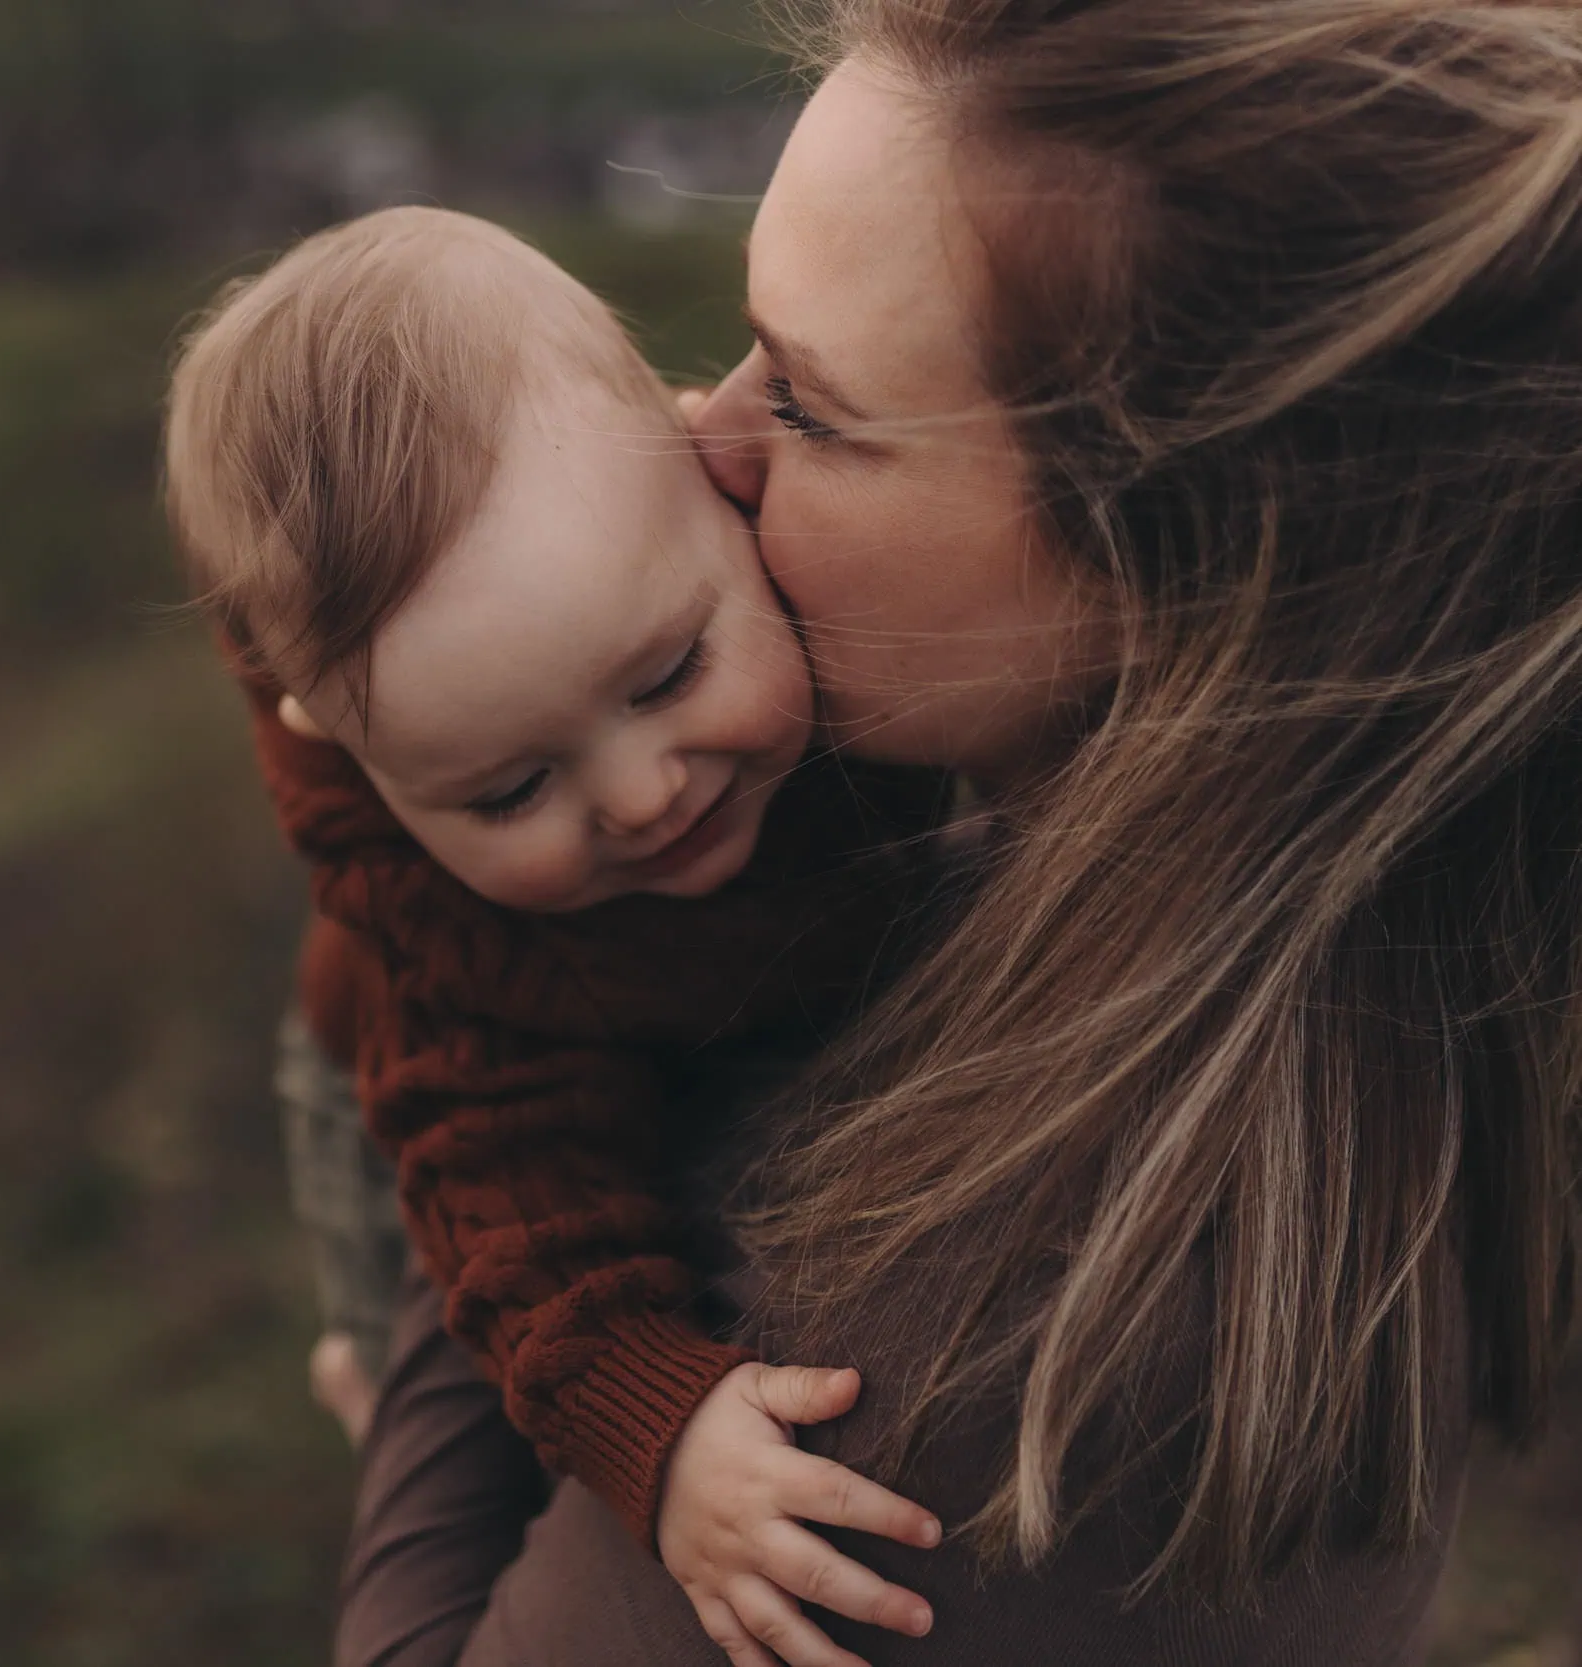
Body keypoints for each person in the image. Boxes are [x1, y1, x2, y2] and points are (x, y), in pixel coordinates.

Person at [334, 0, 1582, 1662]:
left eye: (813, 407)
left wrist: (436, 1366)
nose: (705, 437)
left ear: (1181, 565)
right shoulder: (1323, 961)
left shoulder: (999, 1352)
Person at [163, 206, 957, 1658]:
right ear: (356, 759)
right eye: (511, 789)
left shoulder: (836, 589)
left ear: (712, 471)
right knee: (461, 1343)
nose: (644, 795)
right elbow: (526, 1227)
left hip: (731, 977)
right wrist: (663, 1428)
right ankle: (365, 1373)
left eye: (667, 676)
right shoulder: (459, 959)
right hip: (385, 1090)